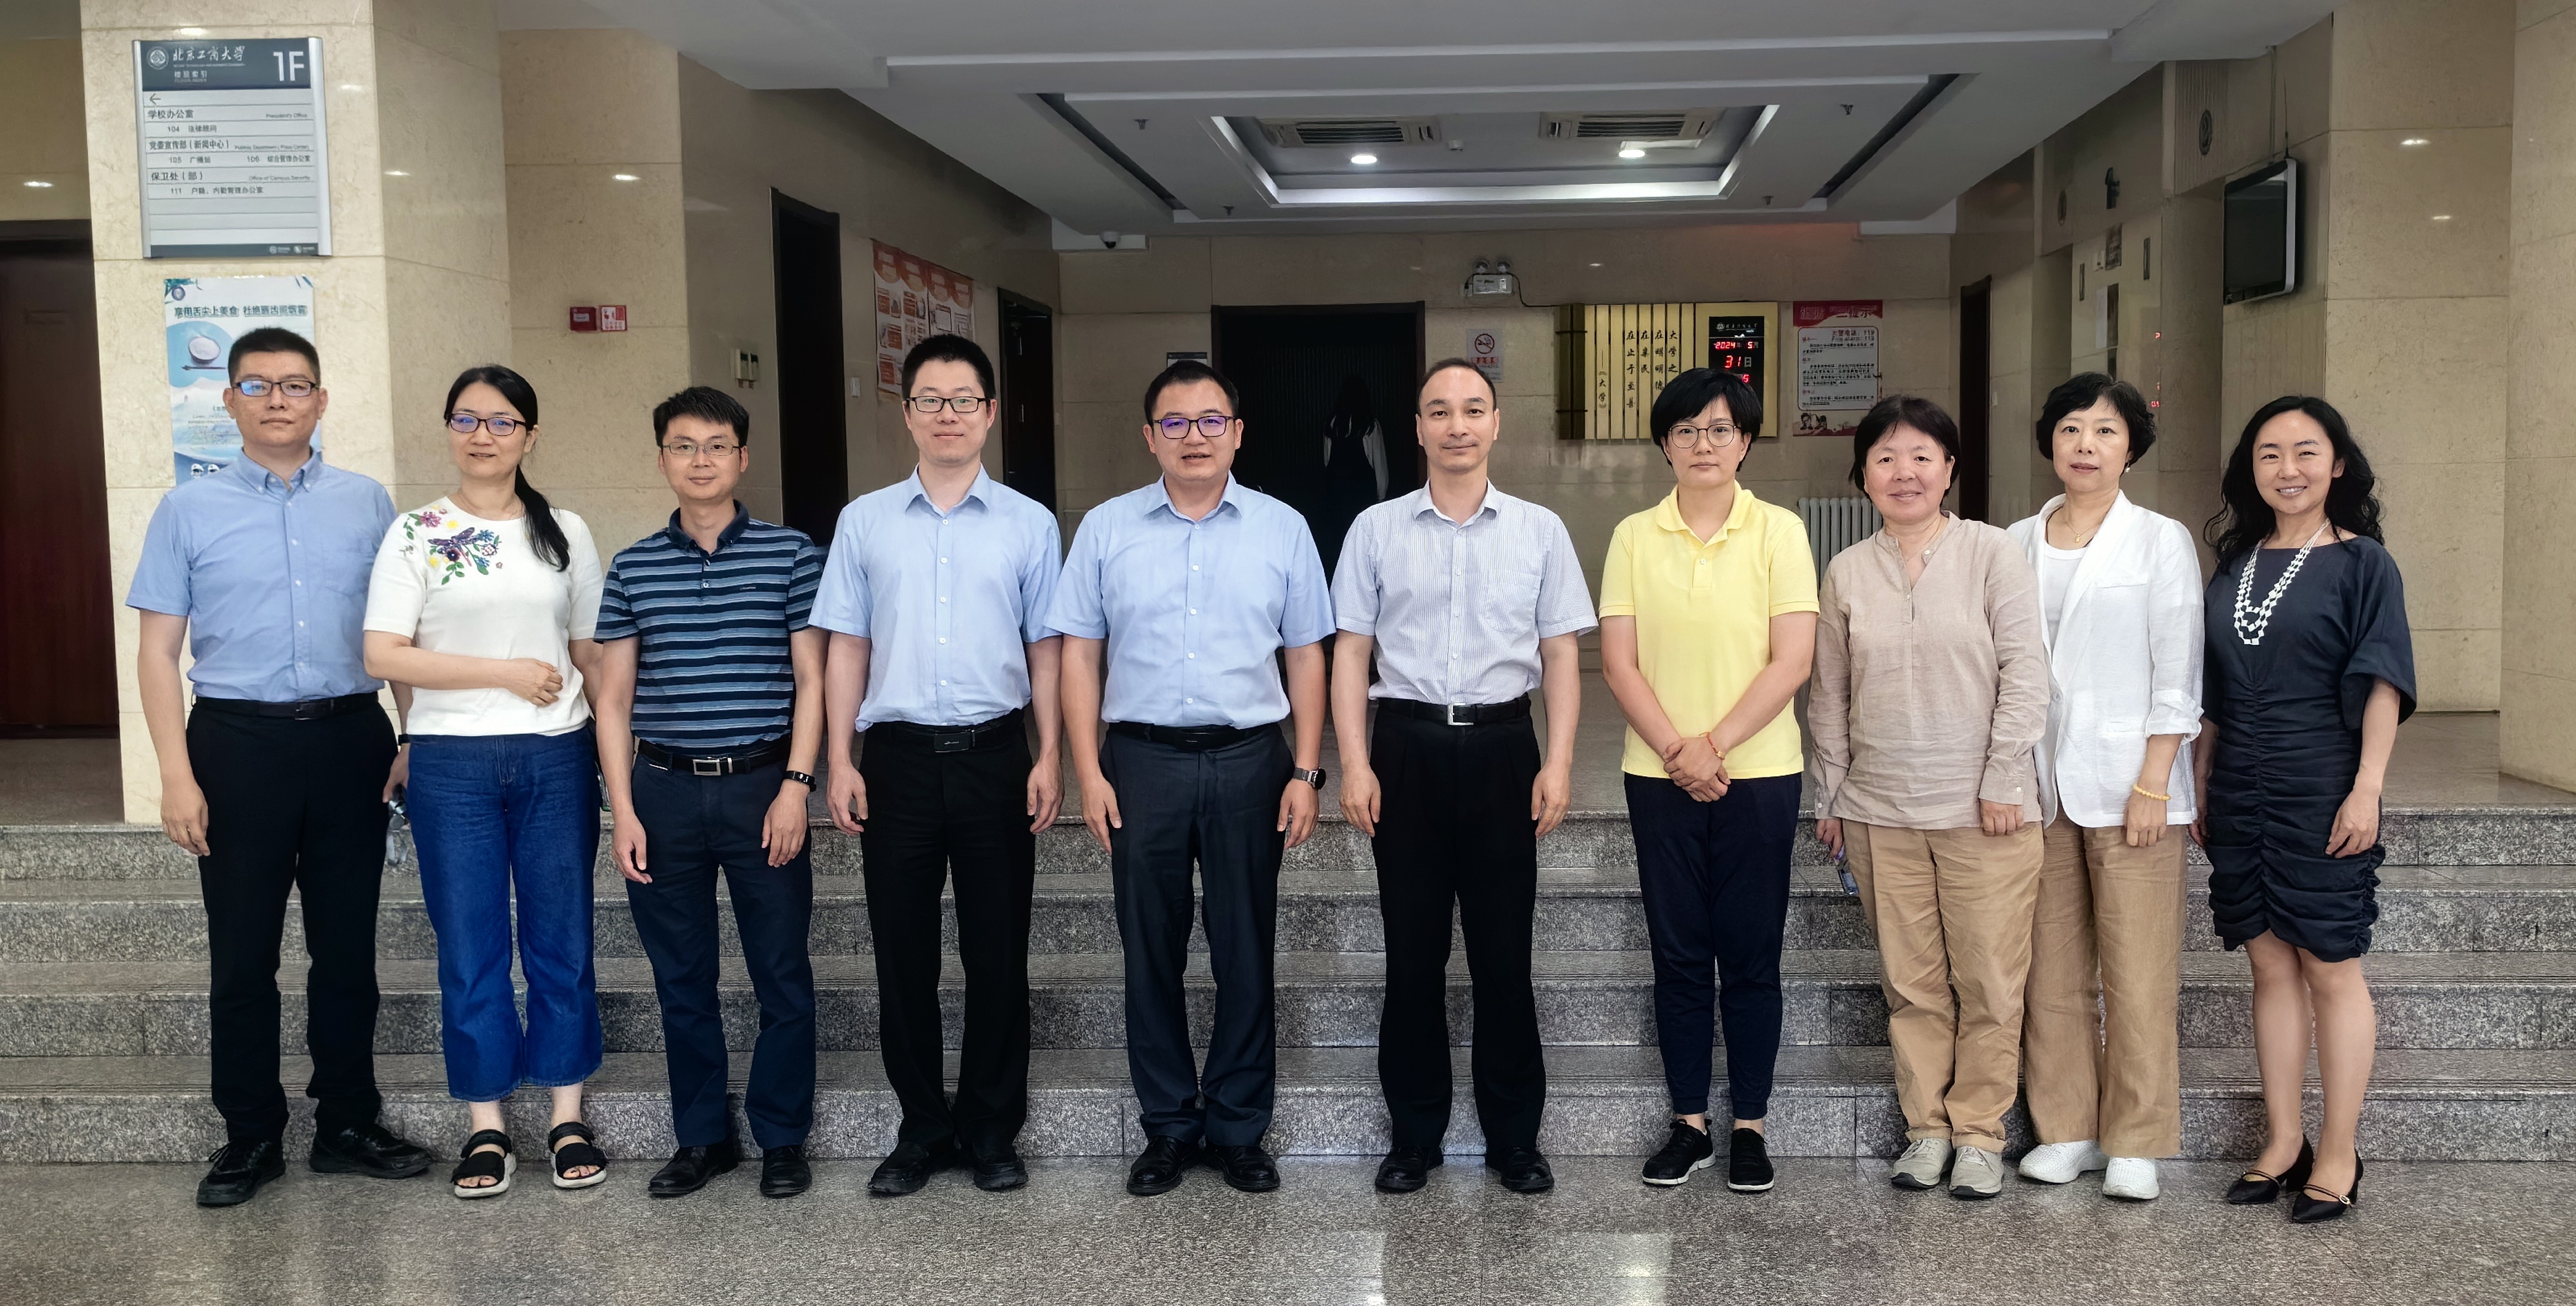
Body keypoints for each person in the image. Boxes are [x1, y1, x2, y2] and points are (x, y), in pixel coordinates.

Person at [129, 326, 432, 1207]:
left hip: (350, 739)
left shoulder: (368, 503)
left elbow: (399, 634)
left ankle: (346, 1122)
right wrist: (176, 775)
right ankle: (251, 1134)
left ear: (321, 400)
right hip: (236, 746)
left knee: (347, 951)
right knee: (242, 955)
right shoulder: (188, 509)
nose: (276, 399)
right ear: (228, 401)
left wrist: (410, 736)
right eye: (256, 385)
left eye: (295, 384)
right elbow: (157, 654)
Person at [1049, 358, 1334, 1197]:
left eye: (1211, 421)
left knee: (1245, 948)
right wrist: (1087, 771)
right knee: (1150, 949)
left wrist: (1306, 768)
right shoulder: (1106, 529)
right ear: (1150, 437)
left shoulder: (1282, 528)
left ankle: (1239, 1125)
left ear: (1237, 433)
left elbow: (1306, 653)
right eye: (1174, 423)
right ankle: (1170, 1125)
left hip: (1252, 759)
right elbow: (1079, 654)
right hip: (1140, 762)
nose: (1194, 437)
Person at [1330, 359, 1594, 1197]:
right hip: (1404, 749)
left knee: (1503, 957)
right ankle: (1414, 1136)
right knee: (1412, 957)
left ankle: (1514, 1138)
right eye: (1439, 411)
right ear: (1417, 428)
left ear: (1495, 423)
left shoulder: (1539, 530)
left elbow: (1560, 654)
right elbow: (1350, 653)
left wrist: (1557, 760)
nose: (1456, 425)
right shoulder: (1375, 528)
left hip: (1502, 749)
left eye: (1472, 410)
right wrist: (1354, 763)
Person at [815, 335, 1064, 1197]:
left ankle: (991, 1129)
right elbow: (847, 645)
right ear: (907, 412)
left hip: (996, 757)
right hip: (897, 762)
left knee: (998, 955)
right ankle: (921, 1129)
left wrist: (1050, 754)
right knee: (903, 956)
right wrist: (839, 757)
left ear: (990, 413)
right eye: (930, 399)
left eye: (963, 400)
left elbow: (1046, 649)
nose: (947, 414)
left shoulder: (1031, 523)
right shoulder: (864, 521)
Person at [362, 365, 607, 1198]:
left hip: (556, 754)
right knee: (470, 947)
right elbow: (383, 652)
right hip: (451, 763)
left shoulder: (564, 531)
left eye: (502, 421)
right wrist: (501, 672)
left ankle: (567, 1114)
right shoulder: (417, 531)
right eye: (466, 419)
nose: (483, 435)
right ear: (448, 430)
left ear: (530, 436)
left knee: (561, 939)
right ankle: (486, 1125)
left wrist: (624, 745)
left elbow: (589, 651)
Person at [1809, 394, 2049, 1200]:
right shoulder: (1847, 570)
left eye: (1920, 456)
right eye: (1884, 458)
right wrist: (1831, 795)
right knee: (1910, 985)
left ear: (1948, 469)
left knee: (1988, 982)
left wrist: (2004, 776)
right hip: (1880, 811)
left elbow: (2026, 672)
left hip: (1985, 812)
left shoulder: (1990, 552)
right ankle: (1926, 1130)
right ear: (1863, 476)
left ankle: (1978, 1133)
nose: (1903, 472)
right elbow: (1829, 694)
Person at [592, 386, 825, 1200]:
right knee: (681, 979)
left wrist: (797, 786)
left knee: (781, 971)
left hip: (762, 787)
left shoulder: (791, 555)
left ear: (742, 457)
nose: (701, 460)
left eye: (717, 445)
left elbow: (812, 679)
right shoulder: (632, 566)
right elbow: (613, 700)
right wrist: (621, 809)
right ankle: (702, 1137)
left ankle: (782, 1135)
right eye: (684, 445)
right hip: (662, 793)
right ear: (662, 457)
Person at [1597, 368, 1816, 1194]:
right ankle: (1688, 1122)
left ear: (1745, 442)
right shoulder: (1632, 536)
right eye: (1686, 430)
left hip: (1759, 775)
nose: (1703, 444)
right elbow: (1618, 661)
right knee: (1680, 952)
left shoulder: (1779, 532)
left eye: (1720, 429)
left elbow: (1791, 659)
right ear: (1664, 443)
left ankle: (1750, 1124)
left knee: (1752, 954)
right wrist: (1675, 751)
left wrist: (1712, 746)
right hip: (1657, 778)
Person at [2195, 396, 2412, 1224]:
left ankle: (2338, 1150)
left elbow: (2383, 678)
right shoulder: (2235, 563)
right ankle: (2283, 1139)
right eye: (2269, 454)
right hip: (2239, 783)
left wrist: (2368, 786)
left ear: (2337, 464)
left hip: (2323, 780)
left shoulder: (2363, 563)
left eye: (2305, 451)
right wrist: (2201, 776)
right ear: (2250, 469)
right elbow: (2214, 691)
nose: (2287, 469)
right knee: (2268, 967)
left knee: (2329, 966)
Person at [2005, 374, 2204, 1202]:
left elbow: (2177, 665)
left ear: (2130, 449)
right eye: (2070, 429)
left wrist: (2155, 779)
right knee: (2048, 971)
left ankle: (2136, 1139)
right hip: (2037, 784)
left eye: (2105, 431)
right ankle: (2068, 1130)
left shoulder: (2159, 540)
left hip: (2133, 784)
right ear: (2049, 441)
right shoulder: (2013, 540)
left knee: (2137, 970)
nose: (2085, 444)